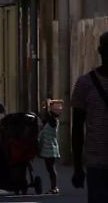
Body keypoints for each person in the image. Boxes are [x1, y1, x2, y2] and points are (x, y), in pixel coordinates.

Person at [71, 31, 108, 203]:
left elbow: (77, 128)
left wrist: (78, 167)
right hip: (96, 163)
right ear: (101, 51)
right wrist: (78, 167)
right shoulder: (85, 84)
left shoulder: (84, 83)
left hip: (95, 162)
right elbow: (77, 128)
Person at [39, 99, 63, 195]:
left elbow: (48, 116)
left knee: (51, 169)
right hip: (47, 148)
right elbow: (44, 117)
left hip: (51, 148)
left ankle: (54, 187)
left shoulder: (53, 121)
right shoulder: (49, 121)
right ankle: (53, 187)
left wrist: (48, 106)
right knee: (50, 169)